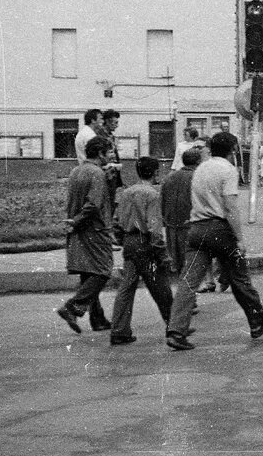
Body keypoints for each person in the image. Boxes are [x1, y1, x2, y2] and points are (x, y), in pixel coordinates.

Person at [165, 132, 263, 351]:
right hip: (219, 229)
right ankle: (258, 321)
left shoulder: (200, 168)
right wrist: (239, 239)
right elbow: (230, 207)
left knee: (188, 282)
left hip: (196, 229)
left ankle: (176, 331)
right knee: (240, 279)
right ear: (233, 150)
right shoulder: (228, 170)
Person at [109, 156, 174, 345]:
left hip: (130, 243)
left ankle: (119, 330)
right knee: (161, 287)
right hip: (145, 245)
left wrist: (123, 240)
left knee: (126, 288)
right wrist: (163, 254)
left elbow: (116, 222)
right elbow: (154, 228)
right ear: (155, 173)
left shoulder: (127, 192)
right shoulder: (152, 195)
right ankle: (175, 326)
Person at [55, 136, 115, 334]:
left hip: (78, 230)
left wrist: (74, 222)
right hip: (94, 229)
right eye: (110, 152)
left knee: (88, 273)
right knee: (103, 271)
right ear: (100, 153)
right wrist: (79, 219)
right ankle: (72, 307)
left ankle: (98, 319)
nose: (112, 155)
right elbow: (93, 204)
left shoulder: (76, 170)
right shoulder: (97, 173)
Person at [161, 147, 200, 283]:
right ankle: (187, 291)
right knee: (189, 257)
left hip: (171, 222)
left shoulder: (170, 177)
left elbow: (163, 198)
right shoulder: (196, 177)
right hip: (190, 222)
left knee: (175, 257)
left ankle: (180, 285)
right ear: (198, 161)